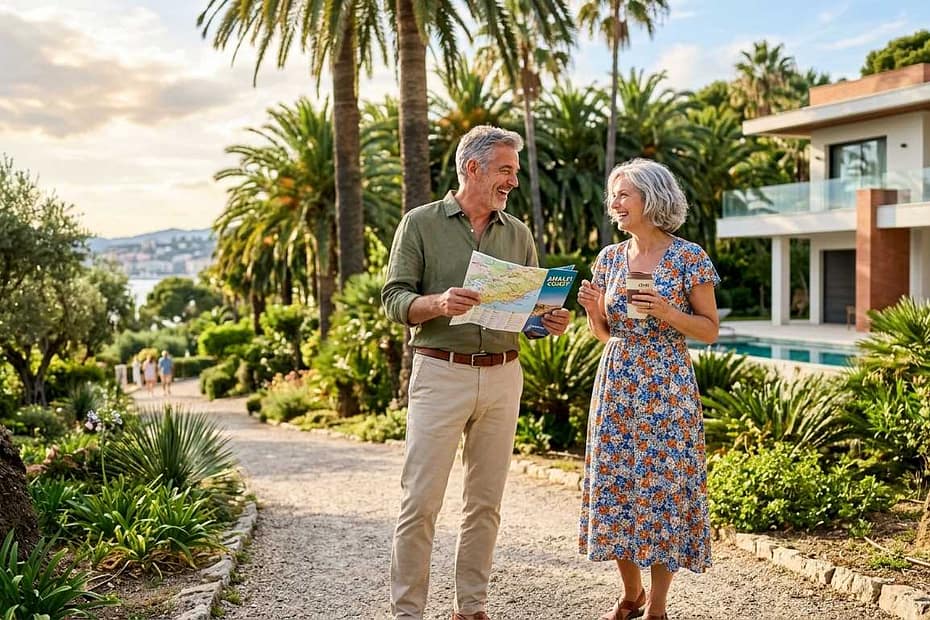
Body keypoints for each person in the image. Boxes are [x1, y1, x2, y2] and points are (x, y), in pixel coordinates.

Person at [382, 125, 571, 620]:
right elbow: (394, 299)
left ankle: (471, 608)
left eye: (514, 170)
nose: (512, 180)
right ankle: (408, 613)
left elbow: (527, 318)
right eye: (505, 169)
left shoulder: (519, 233)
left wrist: (545, 321)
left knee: (485, 504)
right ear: (472, 167)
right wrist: (439, 303)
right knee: (421, 501)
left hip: (504, 376)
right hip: (440, 373)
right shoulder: (419, 224)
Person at [576, 158, 720, 620]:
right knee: (616, 484)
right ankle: (630, 593)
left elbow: (710, 330)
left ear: (651, 200)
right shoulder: (609, 259)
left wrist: (665, 311)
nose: (614, 204)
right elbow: (604, 333)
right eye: (613, 195)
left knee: (662, 488)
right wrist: (595, 310)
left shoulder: (688, 257)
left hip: (666, 383)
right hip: (616, 379)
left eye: (623, 195)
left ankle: (657, 606)